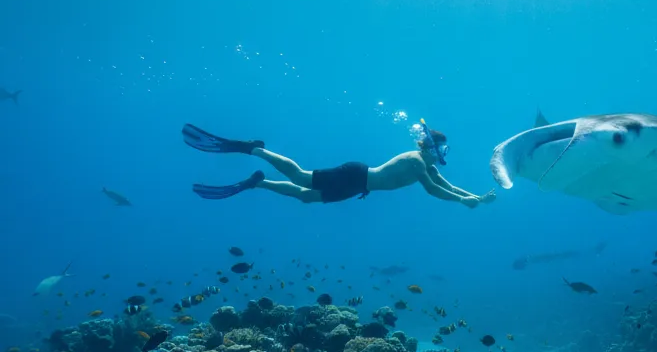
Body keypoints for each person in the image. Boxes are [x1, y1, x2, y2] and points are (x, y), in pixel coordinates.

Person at [181, 122, 497, 208]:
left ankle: (258, 181)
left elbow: (447, 186)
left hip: (358, 186)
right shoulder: (417, 161)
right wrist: (463, 202)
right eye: (443, 148)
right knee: (301, 177)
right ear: (431, 146)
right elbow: (433, 192)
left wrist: (474, 198)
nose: (444, 154)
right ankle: (255, 150)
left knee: (307, 197)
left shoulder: (428, 166)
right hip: (357, 174)